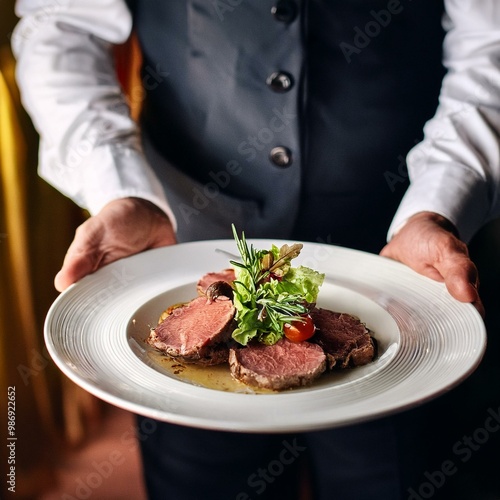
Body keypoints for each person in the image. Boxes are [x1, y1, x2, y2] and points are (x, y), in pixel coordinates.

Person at [11, 0, 500, 498]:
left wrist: (438, 201)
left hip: (398, 267)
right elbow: (62, 28)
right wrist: (117, 186)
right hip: (183, 239)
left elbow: (491, 45)